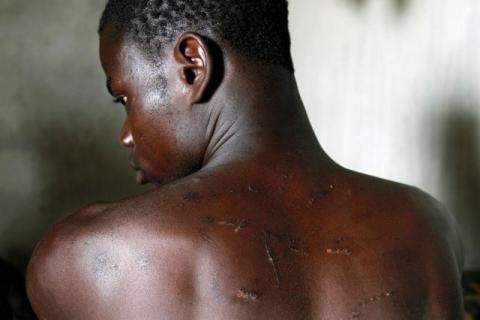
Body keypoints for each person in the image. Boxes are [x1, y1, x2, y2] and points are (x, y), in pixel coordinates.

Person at [26, 0, 464, 318]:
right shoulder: (430, 229)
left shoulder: (84, 256)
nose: (126, 135)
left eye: (124, 97)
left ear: (192, 67)